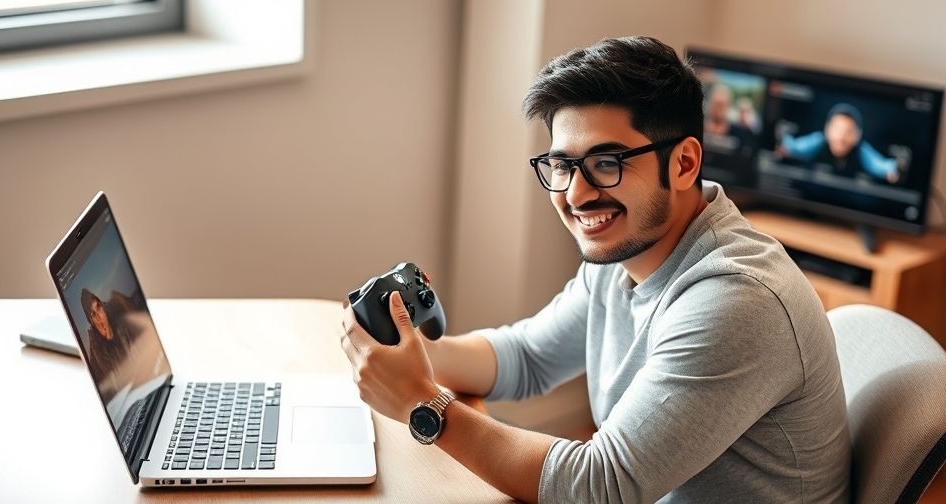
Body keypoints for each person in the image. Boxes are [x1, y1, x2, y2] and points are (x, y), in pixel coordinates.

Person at [339, 36, 850, 503]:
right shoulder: (626, 248)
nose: (578, 195)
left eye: (608, 162)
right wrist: (408, 353)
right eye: (562, 165)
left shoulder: (738, 299)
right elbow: (529, 357)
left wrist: (421, 404)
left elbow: (601, 486)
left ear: (685, 164)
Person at [778, 102, 901, 183]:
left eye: (848, 132)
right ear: (827, 129)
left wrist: (890, 170)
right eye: (837, 129)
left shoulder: (861, 149)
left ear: (858, 135)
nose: (841, 138)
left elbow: (877, 164)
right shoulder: (819, 140)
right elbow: (798, 147)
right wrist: (786, 148)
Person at [80, 288, 131, 393]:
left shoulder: (123, 328)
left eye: (98, 307)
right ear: (92, 322)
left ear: (103, 307)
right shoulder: (96, 359)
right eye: (93, 315)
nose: (99, 317)